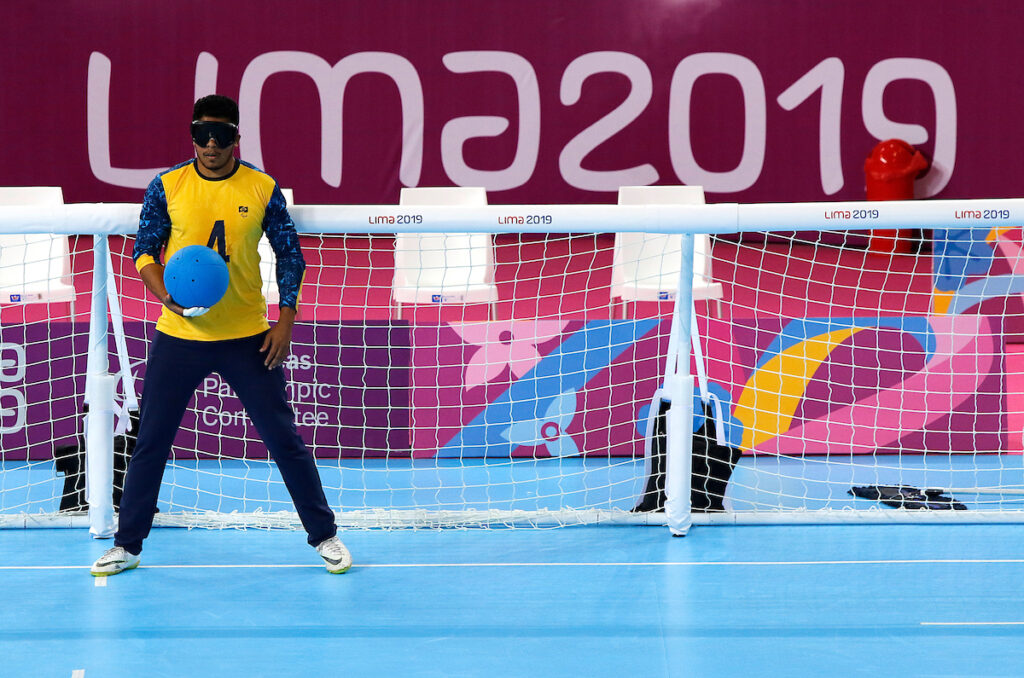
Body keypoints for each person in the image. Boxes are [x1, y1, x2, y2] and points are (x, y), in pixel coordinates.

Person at [90, 95, 351, 576]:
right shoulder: (167, 185)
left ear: (237, 137)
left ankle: (325, 536)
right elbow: (144, 251)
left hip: (248, 338)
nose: (211, 145)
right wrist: (161, 293)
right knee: (151, 441)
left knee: (283, 440)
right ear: (191, 135)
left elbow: (290, 255)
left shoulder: (262, 187)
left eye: (222, 135)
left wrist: (286, 320)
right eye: (202, 134)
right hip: (179, 335)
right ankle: (127, 544)